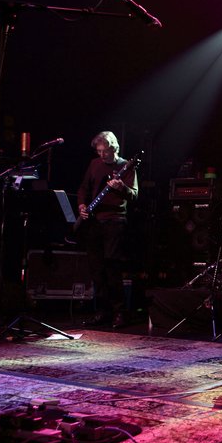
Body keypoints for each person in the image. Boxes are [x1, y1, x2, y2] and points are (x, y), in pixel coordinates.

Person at [77, 131, 138, 328]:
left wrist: (121, 187)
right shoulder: (94, 164)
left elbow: (134, 195)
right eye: (99, 151)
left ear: (114, 149)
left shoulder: (126, 166)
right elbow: (83, 189)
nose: (101, 155)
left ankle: (120, 313)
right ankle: (102, 311)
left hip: (115, 221)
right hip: (94, 222)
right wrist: (81, 206)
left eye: (105, 151)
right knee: (97, 269)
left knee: (112, 268)